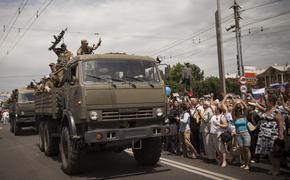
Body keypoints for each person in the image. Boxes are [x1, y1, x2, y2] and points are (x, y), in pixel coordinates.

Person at [232, 98, 251, 170]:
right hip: (238, 135)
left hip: (245, 134)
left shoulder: (244, 116)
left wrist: (241, 101)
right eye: (238, 111)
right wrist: (236, 104)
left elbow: (246, 108)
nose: (239, 112)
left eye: (240, 111)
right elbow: (233, 111)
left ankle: (248, 164)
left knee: (246, 149)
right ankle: (245, 163)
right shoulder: (235, 118)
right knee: (242, 149)